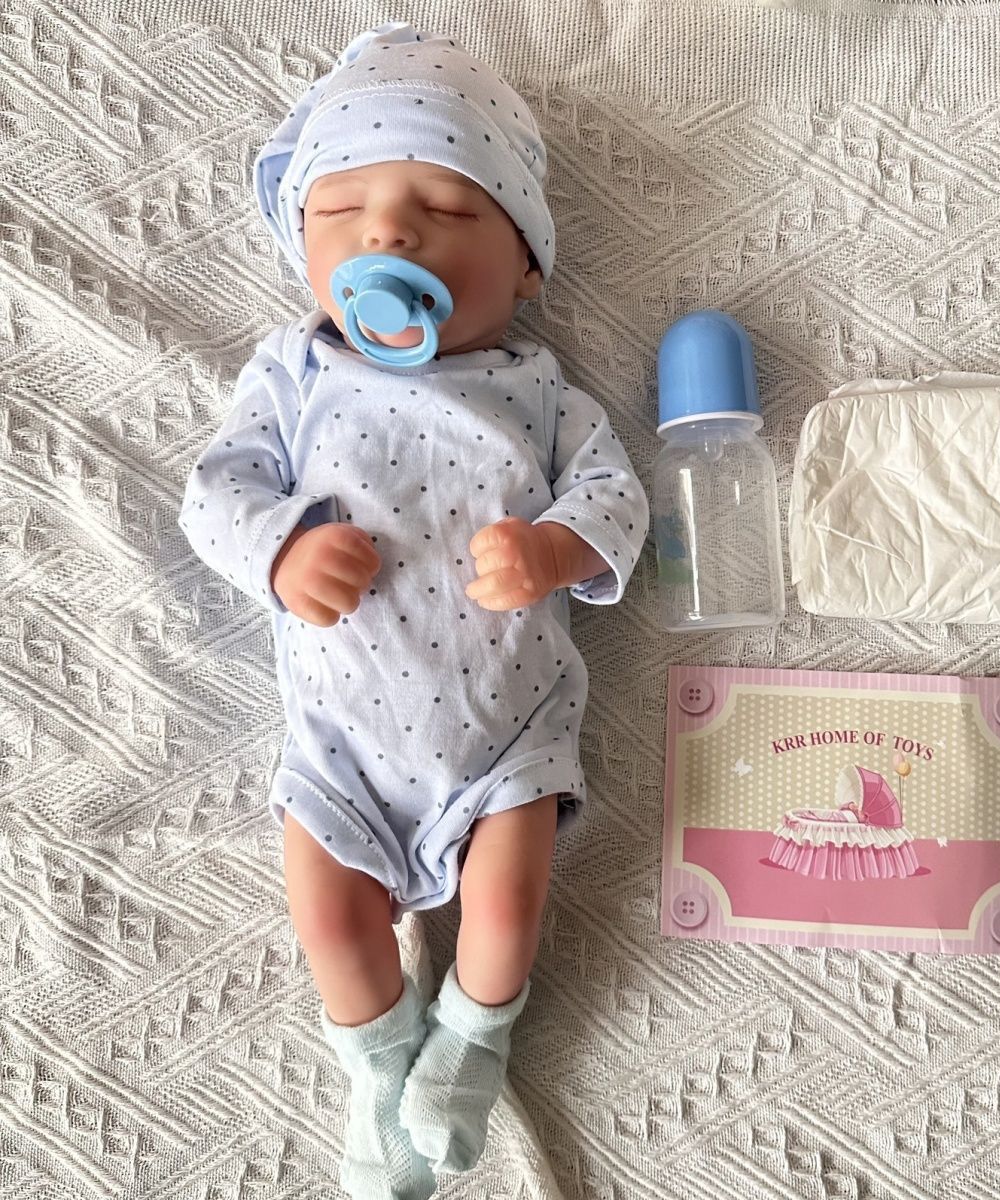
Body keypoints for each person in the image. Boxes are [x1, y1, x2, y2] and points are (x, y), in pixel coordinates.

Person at [176, 21, 649, 1199]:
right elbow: (216, 491)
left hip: (507, 736)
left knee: (508, 905)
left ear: (526, 265)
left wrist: (553, 549)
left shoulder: (540, 391)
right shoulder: (295, 374)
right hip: (340, 744)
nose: (388, 232)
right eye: (343, 209)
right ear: (302, 245)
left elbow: (617, 498)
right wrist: (282, 550)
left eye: (443, 206)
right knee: (330, 924)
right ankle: (379, 1076)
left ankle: (473, 1047)